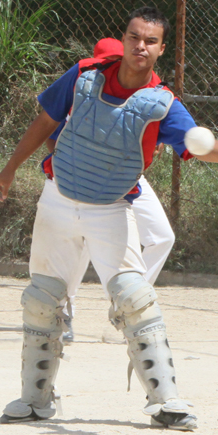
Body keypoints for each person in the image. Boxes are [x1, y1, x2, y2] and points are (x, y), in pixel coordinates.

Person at [0, 7, 218, 431]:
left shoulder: (162, 104)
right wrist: (9, 169)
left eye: (150, 41)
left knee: (135, 297)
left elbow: (195, 146)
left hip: (111, 207)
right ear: (123, 38)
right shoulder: (84, 76)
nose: (141, 46)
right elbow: (45, 120)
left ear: (161, 50)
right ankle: (34, 399)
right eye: (134, 37)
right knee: (42, 298)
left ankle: (166, 401)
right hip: (58, 199)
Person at [37, 39, 177, 345]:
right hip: (79, 182)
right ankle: (65, 311)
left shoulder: (142, 95)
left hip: (125, 183)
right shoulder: (83, 92)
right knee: (81, 242)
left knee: (162, 237)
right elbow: (50, 134)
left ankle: (127, 305)